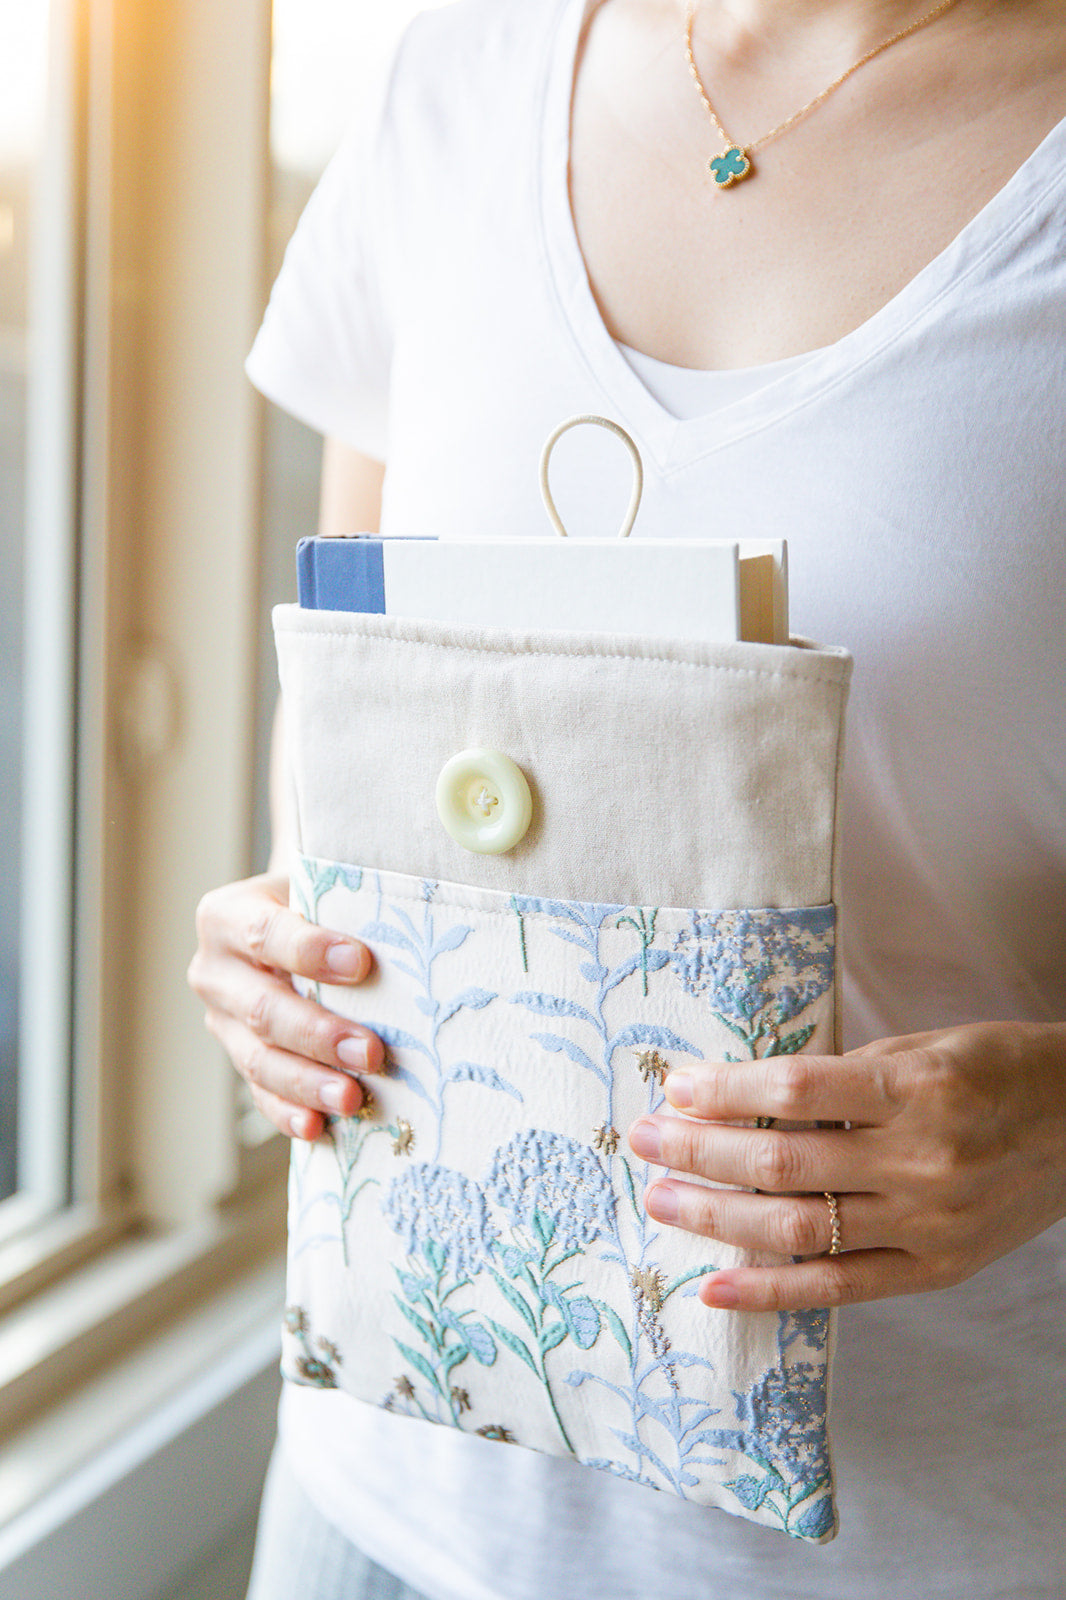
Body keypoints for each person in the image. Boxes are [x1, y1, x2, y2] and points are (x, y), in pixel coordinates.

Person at [187, 0, 1066, 1595]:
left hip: (942, 1542)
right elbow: (339, 696)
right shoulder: (459, 79)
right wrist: (281, 953)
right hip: (386, 1501)